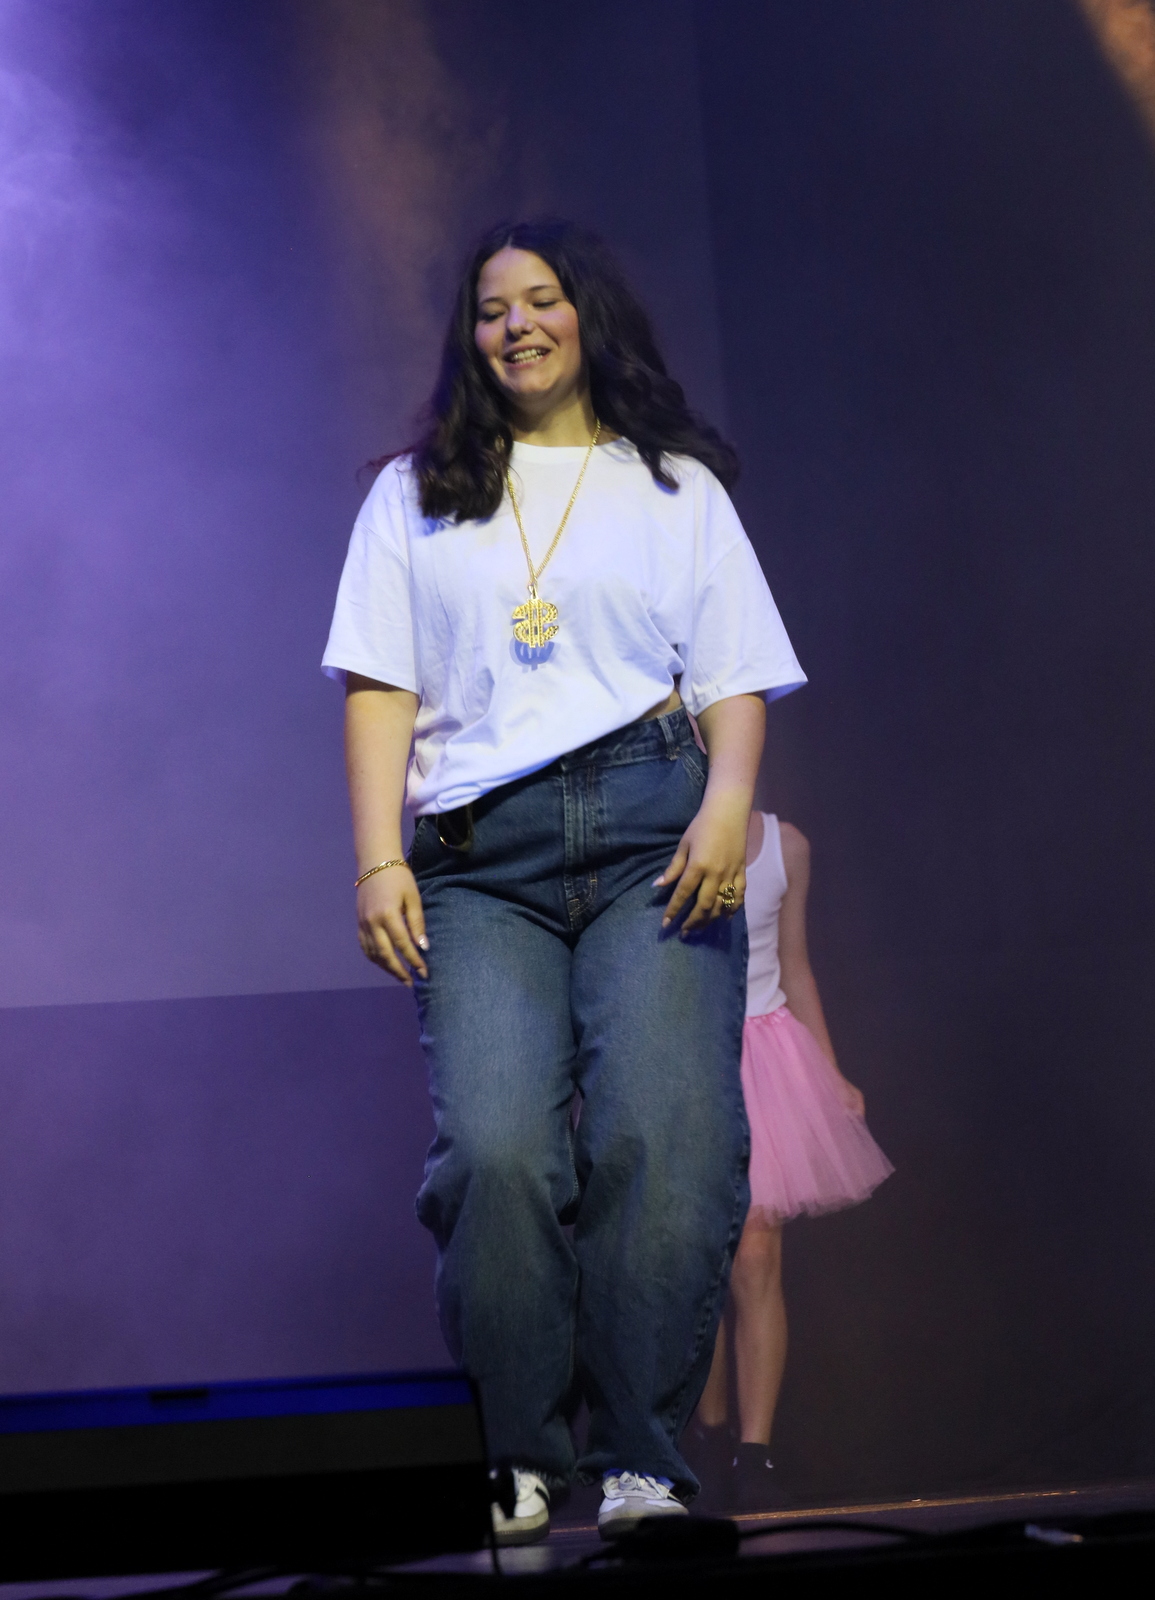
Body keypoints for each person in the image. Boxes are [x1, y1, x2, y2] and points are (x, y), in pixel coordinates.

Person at [321, 219, 805, 1543]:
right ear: (467, 337)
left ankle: (642, 1457)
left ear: (586, 315)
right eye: (490, 310)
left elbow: (735, 674)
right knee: (495, 1154)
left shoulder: (671, 485)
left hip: (657, 835)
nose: (515, 326)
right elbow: (378, 686)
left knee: (664, 1137)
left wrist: (726, 804)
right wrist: (375, 858)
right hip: (482, 861)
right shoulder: (413, 494)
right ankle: (522, 1456)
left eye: (540, 300)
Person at [692, 810, 894, 1510]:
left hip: (766, 1057)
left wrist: (829, 1072)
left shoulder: (787, 847)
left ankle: (754, 1450)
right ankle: (708, 1435)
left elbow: (794, 964)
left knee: (755, 1254)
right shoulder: (655, 835)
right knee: (695, 1261)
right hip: (686, 1057)